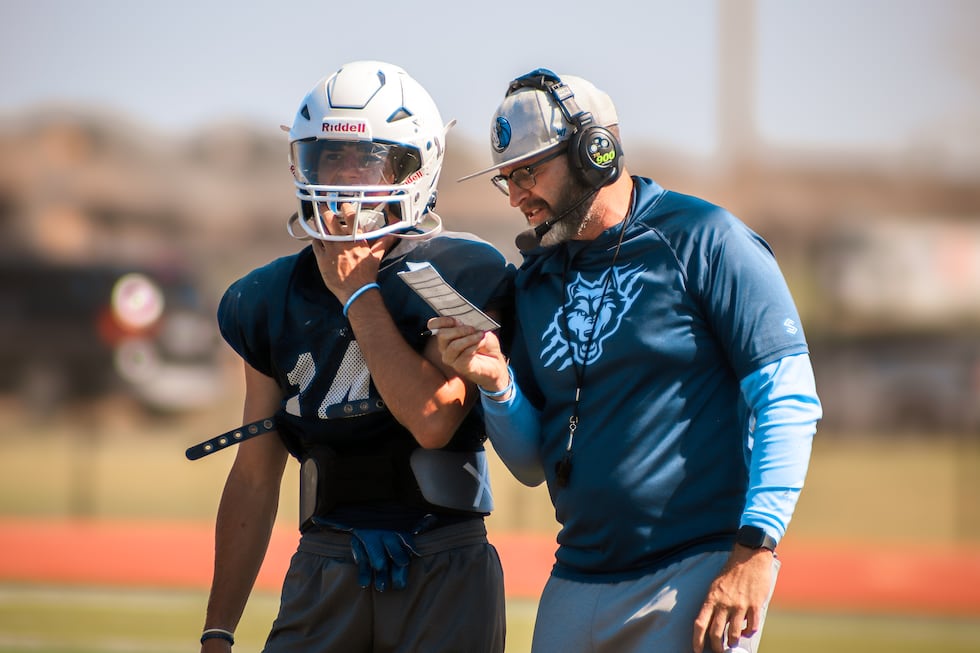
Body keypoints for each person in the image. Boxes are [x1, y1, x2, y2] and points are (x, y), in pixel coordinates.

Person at [430, 68, 822, 653]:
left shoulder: (706, 239)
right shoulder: (536, 279)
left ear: (596, 152)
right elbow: (533, 464)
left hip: (698, 571)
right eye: (506, 180)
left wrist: (757, 552)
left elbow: (787, 400)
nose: (515, 197)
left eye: (528, 172)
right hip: (578, 577)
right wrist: (496, 385)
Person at [194, 61, 513, 653]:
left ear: (417, 166)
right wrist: (218, 630)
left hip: (441, 557)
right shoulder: (267, 296)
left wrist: (358, 294)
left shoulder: (461, 272)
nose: (344, 180)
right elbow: (256, 471)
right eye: (329, 159)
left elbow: (434, 420)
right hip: (325, 558)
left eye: (368, 159)